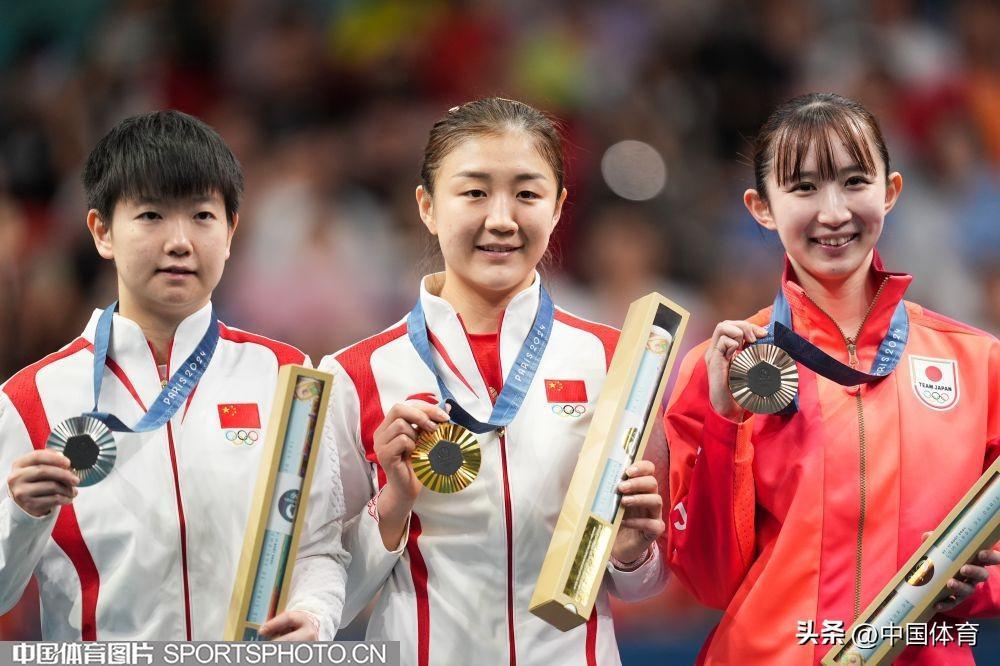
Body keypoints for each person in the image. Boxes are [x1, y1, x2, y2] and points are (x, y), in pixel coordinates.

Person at [296, 97, 669, 665]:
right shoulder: (355, 374)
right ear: (427, 206)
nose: (501, 219)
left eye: (527, 194)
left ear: (558, 207)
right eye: (473, 192)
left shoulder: (618, 360)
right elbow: (329, 598)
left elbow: (643, 583)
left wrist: (631, 553)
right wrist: (393, 504)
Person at [665, 92, 1000, 664]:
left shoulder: (977, 363)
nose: (833, 212)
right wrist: (724, 423)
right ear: (761, 207)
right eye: (803, 188)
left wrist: (980, 584)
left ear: (890, 191)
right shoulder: (722, 368)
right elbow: (709, 580)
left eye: (854, 181)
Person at [0, 111, 347, 641]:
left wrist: (315, 614)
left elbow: (319, 546)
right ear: (102, 232)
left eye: (203, 215)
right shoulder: (30, 399)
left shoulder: (288, 379)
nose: (180, 241)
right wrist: (21, 515)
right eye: (151, 215)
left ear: (230, 232)